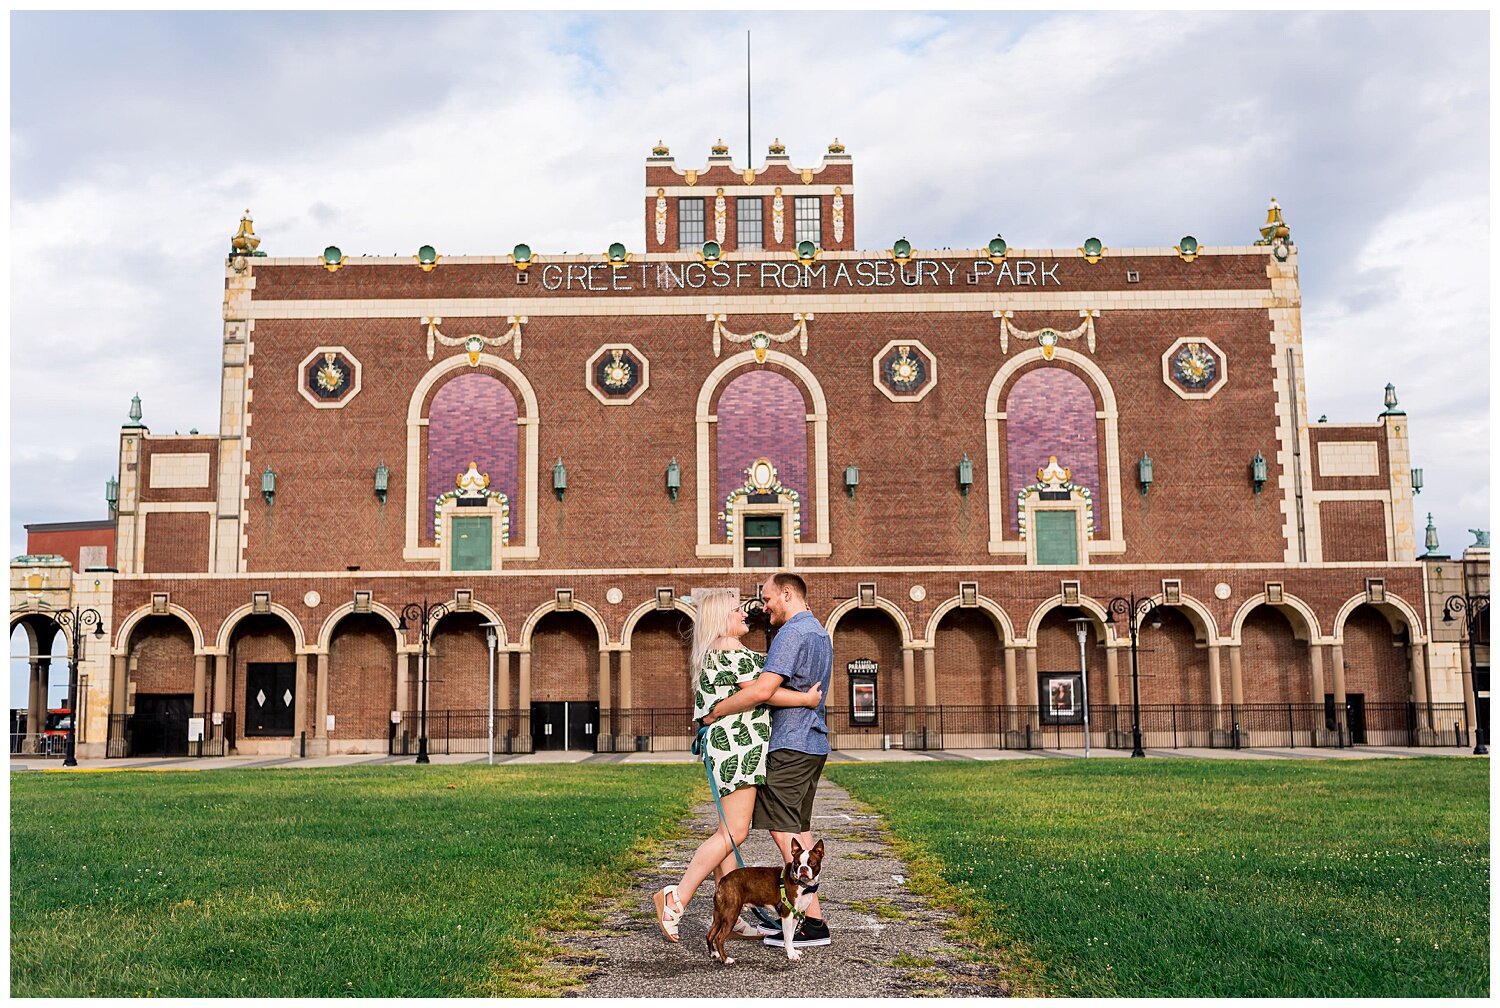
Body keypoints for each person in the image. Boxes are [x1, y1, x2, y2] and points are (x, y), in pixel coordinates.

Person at [652, 587, 823, 943]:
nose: (745, 613)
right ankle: (676, 898)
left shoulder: (716, 650)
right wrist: (806, 699)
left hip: (727, 744)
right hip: (736, 747)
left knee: (726, 833)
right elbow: (763, 692)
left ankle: (731, 910)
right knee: (734, 832)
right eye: (736, 610)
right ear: (720, 619)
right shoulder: (729, 648)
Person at [701, 571, 834, 949]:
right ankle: (810, 918)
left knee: (782, 829)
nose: (764, 606)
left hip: (790, 742)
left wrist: (715, 711)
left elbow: (762, 690)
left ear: (787, 594)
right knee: (796, 827)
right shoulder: (820, 633)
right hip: (811, 742)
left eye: (768, 598)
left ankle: (810, 922)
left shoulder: (791, 633)